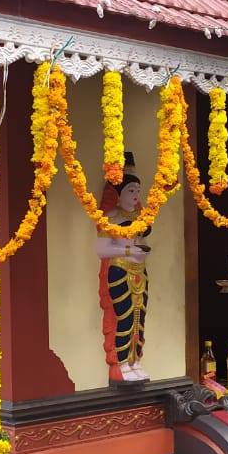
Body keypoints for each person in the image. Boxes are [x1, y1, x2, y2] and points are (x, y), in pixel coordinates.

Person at [96, 152, 151, 383]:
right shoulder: (111, 216)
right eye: (130, 191)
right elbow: (102, 249)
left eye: (138, 191)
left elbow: (141, 241)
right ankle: (121, 364)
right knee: (125, 317)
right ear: (118, 194)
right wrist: (128, 252)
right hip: (119, 271)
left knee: (140, 318)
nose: (135, 195)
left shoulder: (140, 216)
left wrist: (142, 250)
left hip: (140, 272)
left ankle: (135, 361)